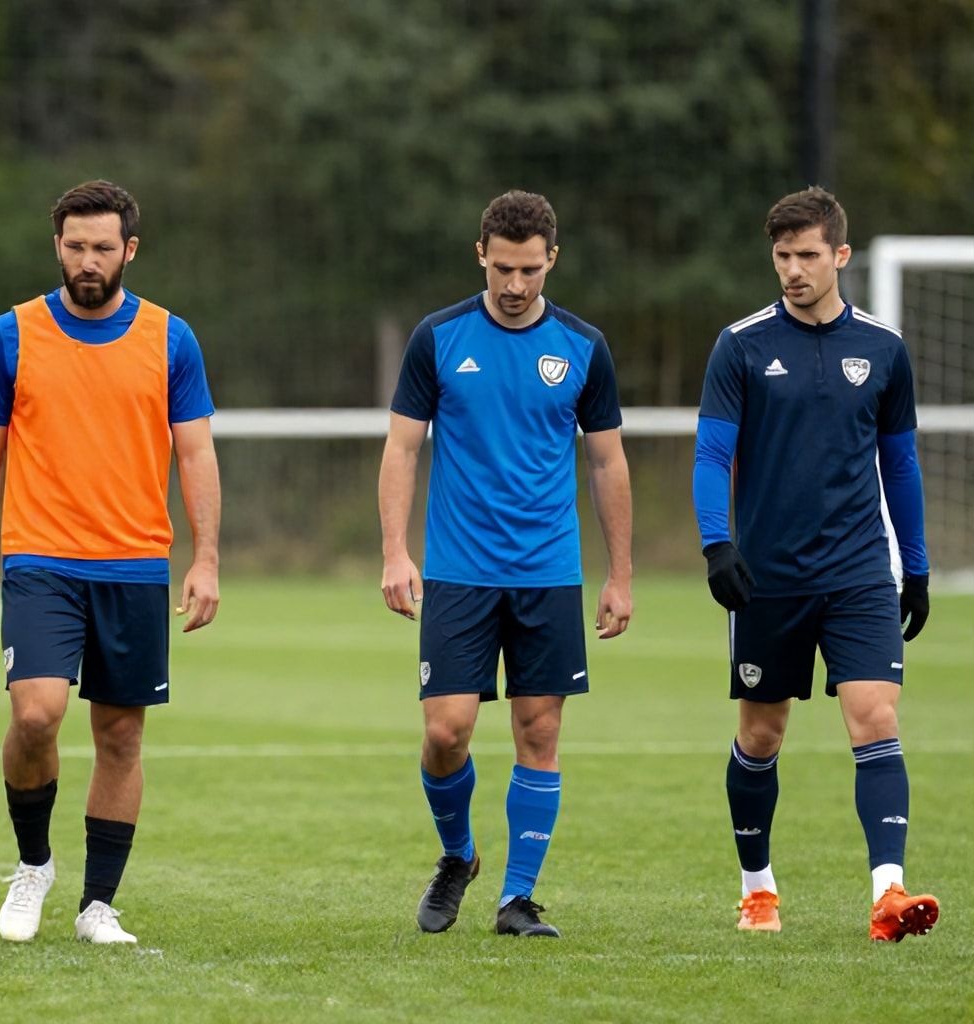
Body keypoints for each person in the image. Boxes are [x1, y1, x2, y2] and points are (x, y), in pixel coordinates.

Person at [0, 179, 221, 946]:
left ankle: (97, 904)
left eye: (103, 247)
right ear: (57, 247)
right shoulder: (10, 335)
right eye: (75, 246)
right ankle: (33, 864)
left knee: (120, 737)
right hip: (40, 559)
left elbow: (196, 452)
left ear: (129, 250)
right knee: (34, 713)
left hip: (137, 564)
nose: (88, 260)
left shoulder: (172, 339)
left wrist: (205, 559)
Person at [379, 190, 633, 939]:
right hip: (459, 569)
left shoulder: (584, 347)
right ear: (480, 256)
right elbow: (401, 447)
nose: (515, 285)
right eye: (501, 269)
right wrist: (396, 551)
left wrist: (620, 573)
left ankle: (517, 899)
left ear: (551, 258)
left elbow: (609, 463)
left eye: (529, 269)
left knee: (539, 730)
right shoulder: (439, 337)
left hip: (548, 571)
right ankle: (458, 856)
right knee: (446, 731)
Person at [693, 186, 937, 941]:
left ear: (840, 254)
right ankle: (757, 889)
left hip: (860, 571)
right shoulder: (741, 345)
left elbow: (900, 467)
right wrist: (716, 543)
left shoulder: (884, 350)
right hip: (769, 577)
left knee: (875, 717)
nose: (793, 270)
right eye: (781, 256)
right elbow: (711, 454)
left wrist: (917, 567)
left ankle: (888, 895)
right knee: (762, 736)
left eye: (806, 255)